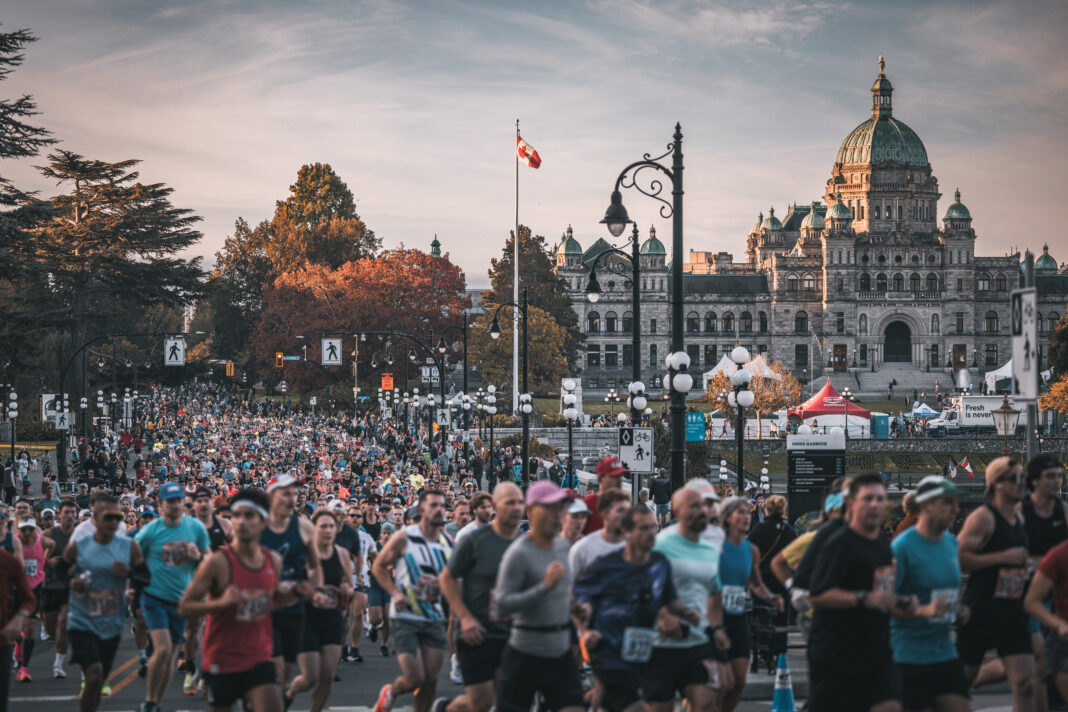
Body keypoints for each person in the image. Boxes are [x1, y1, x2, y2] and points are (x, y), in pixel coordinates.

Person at [177, 488, 290, 712]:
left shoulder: (273, 561)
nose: (240, 522)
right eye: (236, 515)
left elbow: (270, 603)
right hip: (223, 658)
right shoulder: (217, 563)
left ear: (264, 521)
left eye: (249, 516)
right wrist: (218, 604)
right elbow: (184, 607)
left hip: (260, 656)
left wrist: (293, 595)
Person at [573, 505, 695, 712]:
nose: (651, 533)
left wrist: (686, 615)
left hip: (642, 649)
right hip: (609, 649)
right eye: (644, 528)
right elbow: (572, 597)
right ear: (627, 532)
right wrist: (584, 631)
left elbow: (668, 599)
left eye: (653, 527)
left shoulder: (659, 563)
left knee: (609, 705)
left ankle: (581, 703)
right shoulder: (606, 565)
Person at [808, 472, 909, 712]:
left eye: (879, 499)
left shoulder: (883, 545)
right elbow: (818, 594)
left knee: (892, 706)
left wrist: (902, 602)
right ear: (851, 503)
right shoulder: (839, 543)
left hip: (877, 651)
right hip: (838, 652)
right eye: (868, 499)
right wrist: (862, 598)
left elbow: (881, 590)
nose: (874, 505)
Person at [492, 480, 584, 712]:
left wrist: (576, 607)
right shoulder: (518, 554)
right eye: (550, 509)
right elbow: (501, 607)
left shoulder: (563, 547)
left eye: (560, 509)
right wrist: (543, 587)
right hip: (526, 653)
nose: (557, 516)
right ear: (531, 511)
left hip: (560, 651)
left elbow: (564, 593)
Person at [956, 456, 1037, 711]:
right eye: (1015, 479)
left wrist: (1029, 565)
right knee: (959, 684)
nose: (1021, 484)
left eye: (1023, 478)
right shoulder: (983, 517)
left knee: (1026, 683)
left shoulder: (1020, 517)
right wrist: (1003, 558)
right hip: (981, 609)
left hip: (1012, 609)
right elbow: (960, 557)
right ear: (997, 484)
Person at [436, 482, 523, 712]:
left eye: (520, 503)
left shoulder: (523, 543)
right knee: (481, 702)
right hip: (476, 631)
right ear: (495, 506)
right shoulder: (473, 539)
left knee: (508, 699)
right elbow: (447, 579)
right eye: (509, 503)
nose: (516, 508)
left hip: (511, 633)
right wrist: (464, 617)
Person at [645, 486, 729, 712]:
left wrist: (717, 629)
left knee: (706, 704)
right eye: (695, 506)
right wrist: (663, 614)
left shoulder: (710, 550)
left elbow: (714, 593)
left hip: (696, 643)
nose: (702, 511)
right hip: (660, 643)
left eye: (703, 506)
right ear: (678, 511)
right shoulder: (661, 544)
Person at [891, 476, 970, 712]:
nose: (954, 509)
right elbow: (883, 602)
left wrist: (960, 608)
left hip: (944, 651)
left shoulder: (951, 543)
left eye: (955, 503)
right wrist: (922, 610)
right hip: (908, 657)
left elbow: (947, 591)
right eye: (946, 503)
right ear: (925, 506)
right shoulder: (902, 547)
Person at [371, 490, 453, 712]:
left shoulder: (448, 542)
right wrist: (394, 592)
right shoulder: (405, 536)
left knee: (431, 680)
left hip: (434, 616)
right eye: (433, 506)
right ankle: (392, 692)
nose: (438, 510)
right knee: (416, 677)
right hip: (405, 615)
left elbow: (456, 578)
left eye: (442, 506)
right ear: (423, 510)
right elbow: (378, 567)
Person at [133, 480, 211, 712]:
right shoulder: (150, 531)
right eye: (170, 501)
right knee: (164, 649)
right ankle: (149, 700)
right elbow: (133, 557)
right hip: (154, 597)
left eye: (179, 500)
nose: (176, 505)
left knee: (169, 656)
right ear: (160, 505)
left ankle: (154, 702)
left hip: (182, 600)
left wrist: (198, 556)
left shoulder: (195, 528)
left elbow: (210, 560)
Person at [63, 493, 144, 712]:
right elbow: (62, 570)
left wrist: (129, 575)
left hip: (111, 622)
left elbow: (145, 576)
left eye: (118, 517)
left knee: (98, 680)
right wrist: (74, 582)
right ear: (95, 517)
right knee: (94, 672)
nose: (114, 522)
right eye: (108, 517)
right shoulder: (79, 544)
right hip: (82, 620)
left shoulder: (129, 546)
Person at [285, 509, 355, 712]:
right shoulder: (304, 554)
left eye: (332, 526)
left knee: (327, 678)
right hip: (307, 619)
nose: (328, 530)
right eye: (323, 526)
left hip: (332, 619)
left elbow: (349, 588)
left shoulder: (341, 554)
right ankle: (289, 693)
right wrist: (308, 591)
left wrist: (346, 590)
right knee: (310, 678)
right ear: (314, 529)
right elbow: (292, 584)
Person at [261, 473, 322, 686]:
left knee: (287, 671)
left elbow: (315, 567)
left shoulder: (303, 527)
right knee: (274, 672)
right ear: (270, 497)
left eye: (294, 494)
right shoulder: (257, 527)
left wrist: (312, 587)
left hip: (295, 607)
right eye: (285, 494)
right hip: (265, 609)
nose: (292, 499)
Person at [42, 499, 77, 679]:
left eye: (73, 513)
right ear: (59, 514)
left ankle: (58, 664)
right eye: (67, 512)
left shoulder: (79, 536)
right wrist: (46, 560)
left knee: (64, 623)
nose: (70, 516)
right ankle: (48, 631)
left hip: (68, 585)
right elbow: (34, 555)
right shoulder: (49, 533)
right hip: (50, 584)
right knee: (50, 628)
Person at [14, 518, 52, 682]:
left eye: (30, 529)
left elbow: (52, 545)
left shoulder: (40, 540)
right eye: (24, 530)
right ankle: (17, 645)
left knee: (29, 628)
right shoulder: (14, 542)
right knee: (15, 630)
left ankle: (24, 668)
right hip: (16, 589)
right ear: (19, 530)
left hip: (34, 588)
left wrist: (46, 559)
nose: (27, 533)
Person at [568, 489, 629, 578]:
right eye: (620, 511)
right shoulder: (582, 549)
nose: (625, 516)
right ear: (605, 514)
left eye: (628, 512)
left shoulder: (635, 547)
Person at [582, 456, 626, 534]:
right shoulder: (586, 505)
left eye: (620, 475)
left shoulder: (625, 505)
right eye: (614, 476)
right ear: (600, 478)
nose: (619, 480)